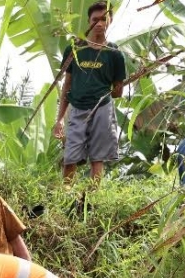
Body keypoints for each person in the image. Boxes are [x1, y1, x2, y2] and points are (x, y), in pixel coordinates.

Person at [54, 1, 128, 182]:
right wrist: (60, 119)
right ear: (89, 22)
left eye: (104, 19)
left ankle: (93, 199)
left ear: (110, 20)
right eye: (95, 19)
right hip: (77, 107)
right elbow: (67, 85)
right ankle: (66, 194)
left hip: (102, 108)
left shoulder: (115, 54)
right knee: (71, 156)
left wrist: (112, 88)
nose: (100, 23)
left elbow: (118, 92)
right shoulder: (75, 49)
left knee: (98, 157)